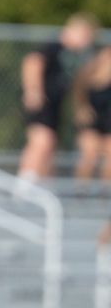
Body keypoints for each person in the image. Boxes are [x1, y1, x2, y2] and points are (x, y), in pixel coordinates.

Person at [18, 13, 98, 181]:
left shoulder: (71, 55)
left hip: (54, 104)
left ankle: (39, 184)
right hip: (42, 102)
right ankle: (25, 185)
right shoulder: (54, 45)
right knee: (41, 140)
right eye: (85, 37)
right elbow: (32, 61)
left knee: (50, 144)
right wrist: (33, 90)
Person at [73, 45, 111, 187]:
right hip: (92, 120)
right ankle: (80, 191)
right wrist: (81, 110)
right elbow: (78, 97)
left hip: (108, 121)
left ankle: (105, 194)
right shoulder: (87, 76)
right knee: (90, 152)